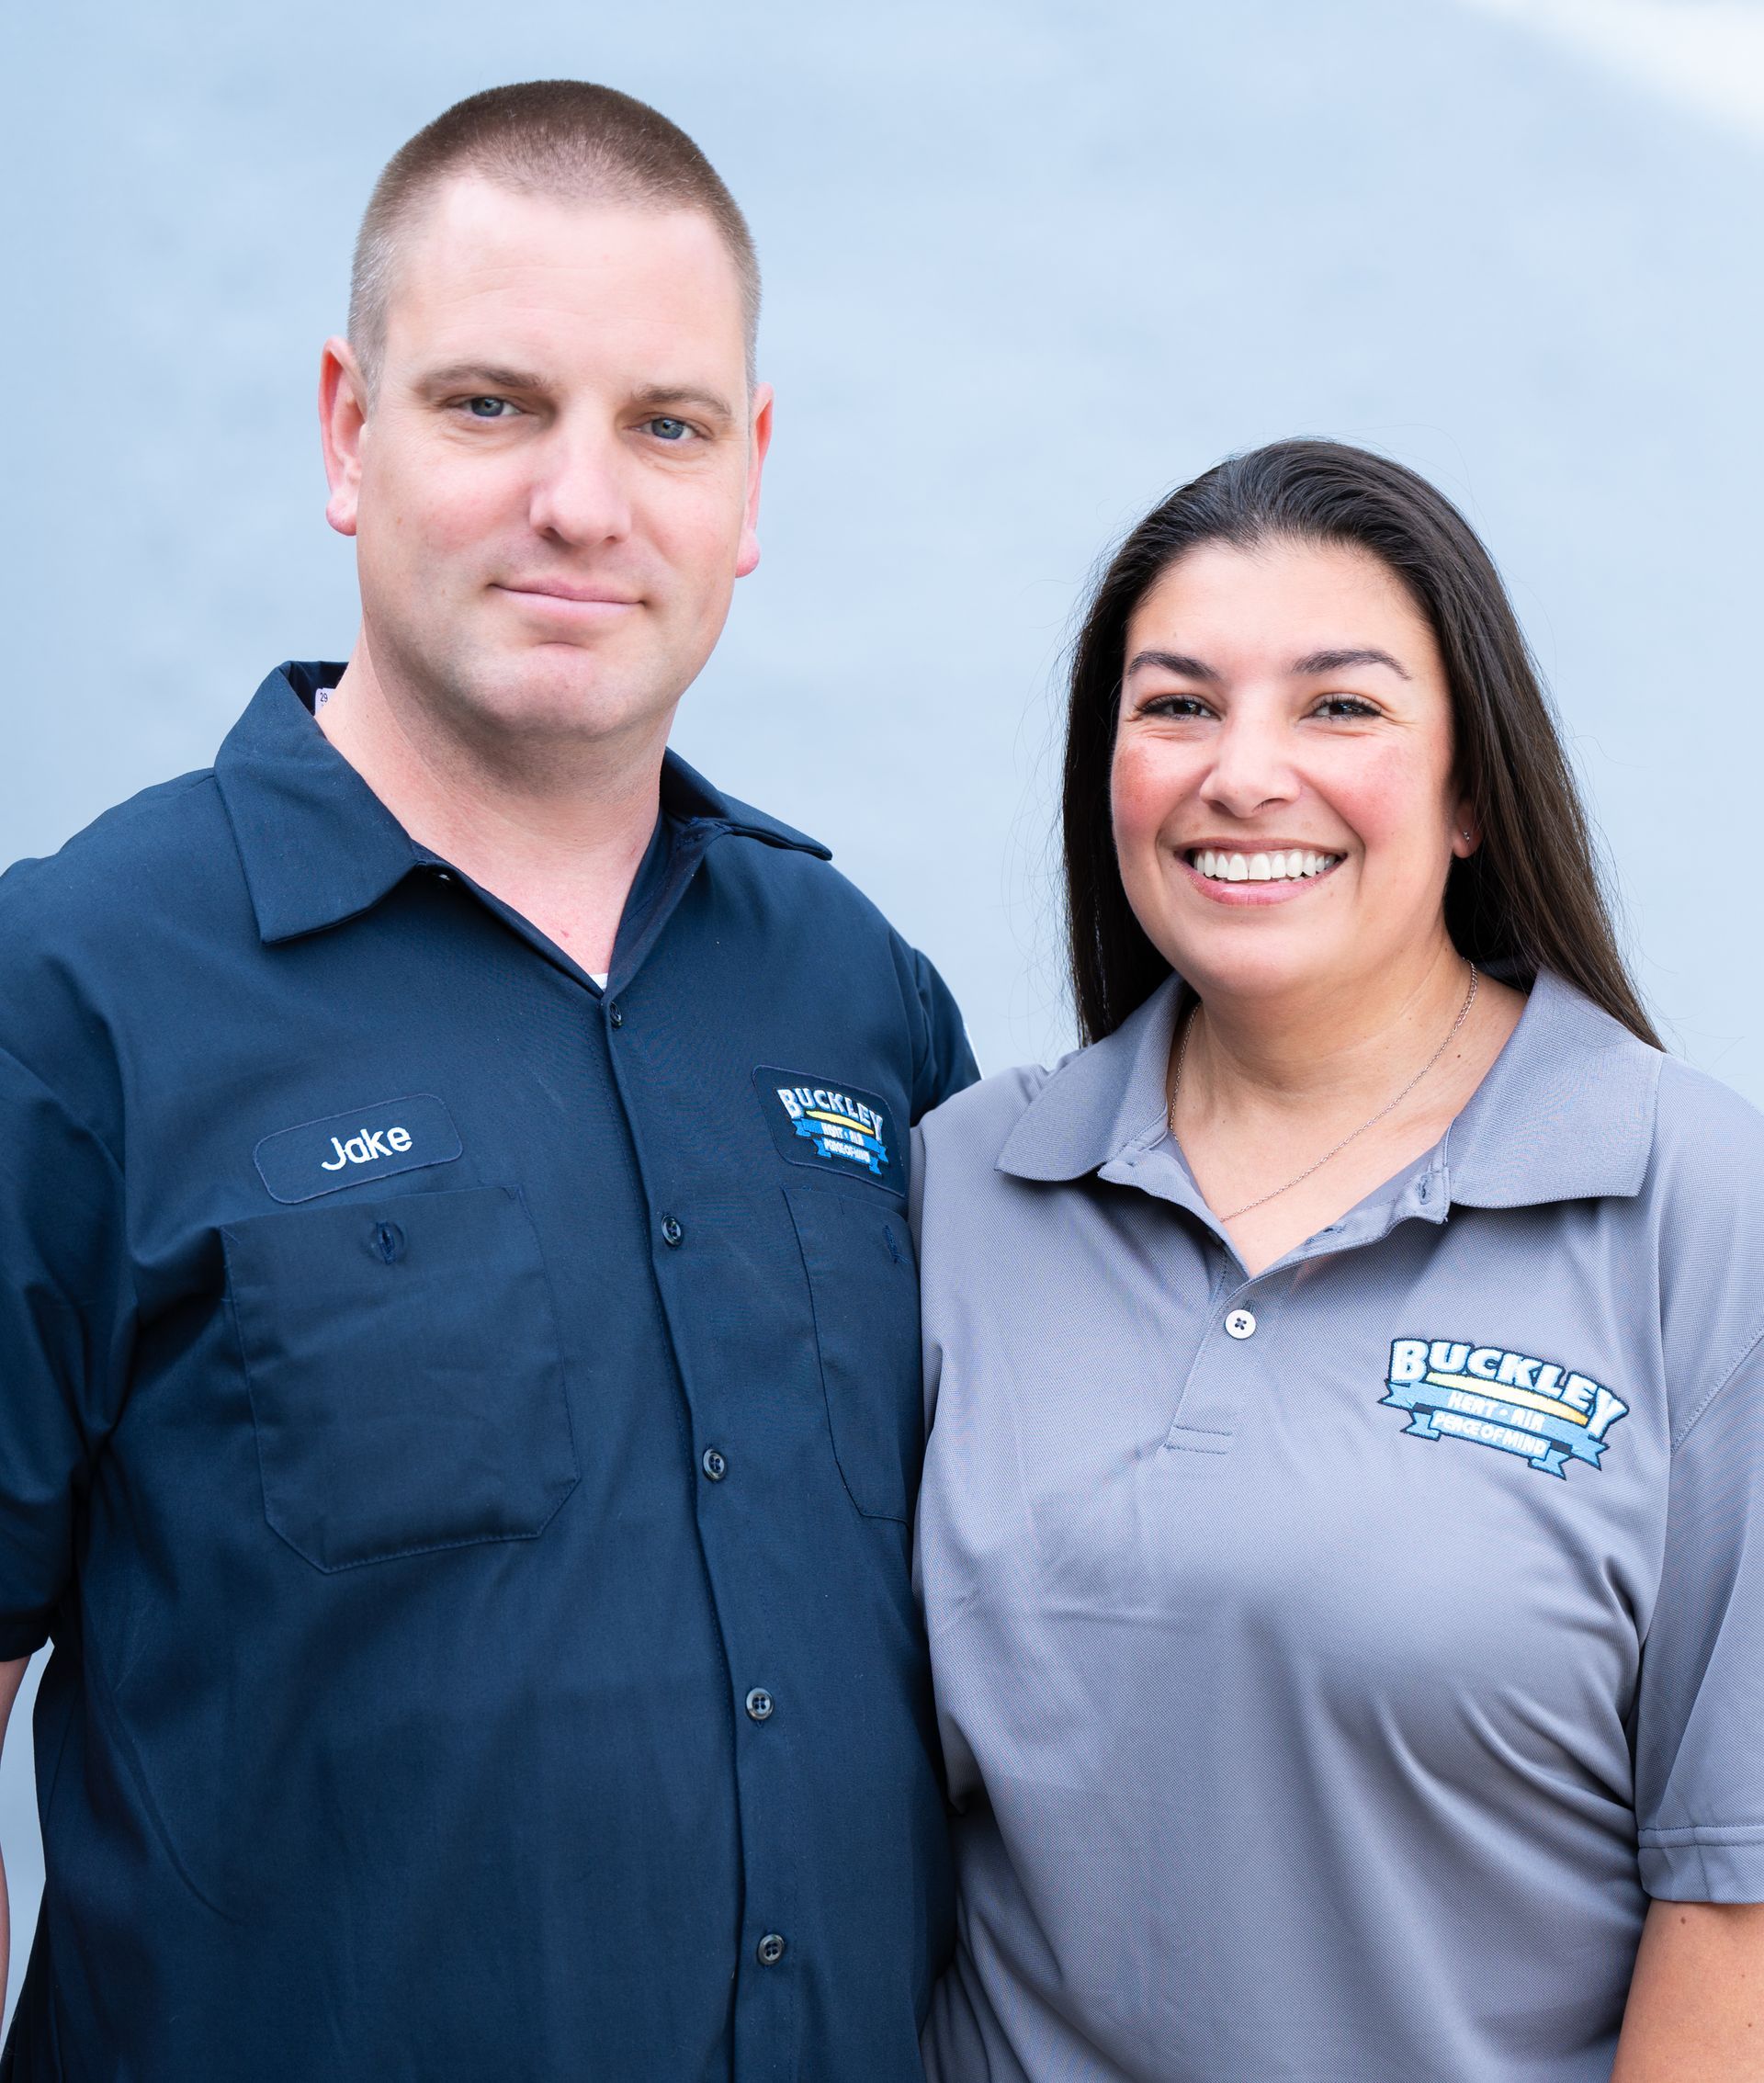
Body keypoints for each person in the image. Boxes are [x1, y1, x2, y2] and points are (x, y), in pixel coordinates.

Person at [0, 80, 974, 2078]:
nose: (586, 504)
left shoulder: (857, 998)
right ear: (349, 431)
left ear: (751, 481)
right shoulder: (78, 986)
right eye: (492, 405)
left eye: (667, 426)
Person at [911, 439, 1764, 2082]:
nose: (1244, 773)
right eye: (1174, 707)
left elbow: (1736, 1904)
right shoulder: (969, 1186)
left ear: (1467, 791)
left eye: (1340, 707)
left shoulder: (1696, 1209)